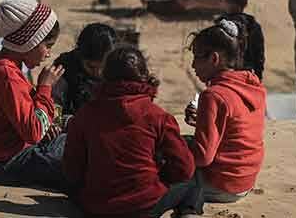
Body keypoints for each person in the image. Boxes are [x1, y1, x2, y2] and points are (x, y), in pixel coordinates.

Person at [64, 46, 202, 218]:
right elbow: (184, 169)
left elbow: (72, 169)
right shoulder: (158, 116)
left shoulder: (85, 114)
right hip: (145, 205)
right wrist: (160, 178)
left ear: (104, 75)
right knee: (194, 180)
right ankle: (188, 212)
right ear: (144, 76)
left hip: (97, 206)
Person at [0, 0, 67, 190]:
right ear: (30, 42)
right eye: (48, 46)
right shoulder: (5, 74)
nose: (48, 53)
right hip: (6, 161)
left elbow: (23, 116)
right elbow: (33, 132)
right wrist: (45, 87)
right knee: (80, 153)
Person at [184, 20, 266, 205]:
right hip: (245, 180)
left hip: (222, 185)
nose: (193, 65)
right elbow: (235, 128)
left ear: (214, 59)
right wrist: (203, 122)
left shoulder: (213, 96)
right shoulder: (252, 85)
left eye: (197, 57)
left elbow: (203, 157)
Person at [52, 23, 118, 116]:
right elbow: (55, 105)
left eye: (103, 67)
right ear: (80, 56)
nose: (98, 73)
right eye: (91, 67)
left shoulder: (120, 68)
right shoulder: (64, 70)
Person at [219, 0, 265, 80]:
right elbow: (259, 55)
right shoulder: (254, 25)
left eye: (225, 1)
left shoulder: (223, 25)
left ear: (229, 2)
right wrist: (258, 77)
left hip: (228, 76)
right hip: (248, 75)